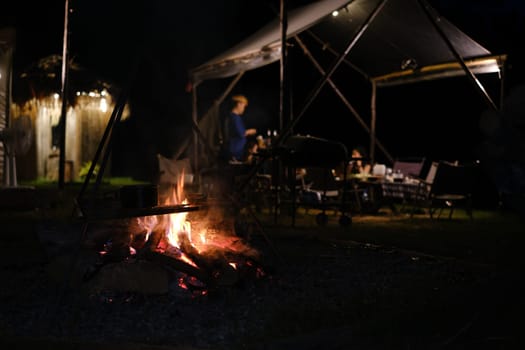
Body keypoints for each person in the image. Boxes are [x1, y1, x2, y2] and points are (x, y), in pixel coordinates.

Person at [224, 94, 257, 163]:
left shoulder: (231, 117)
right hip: (236, 151)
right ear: (239, 104)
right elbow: (241, 133)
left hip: (236, 150)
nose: (243, 109)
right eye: (243, 106)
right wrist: (250, 131)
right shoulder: (235, 118)